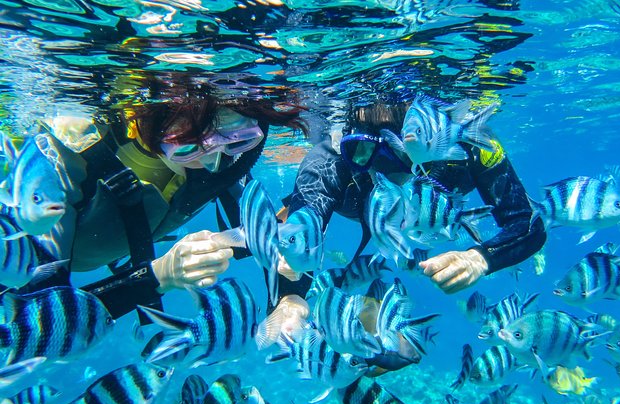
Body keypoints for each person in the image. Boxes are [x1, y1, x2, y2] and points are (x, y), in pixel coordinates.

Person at [7, 74, 308, 321]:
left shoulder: (226, 161)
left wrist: (288, 295)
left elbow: (258, 232)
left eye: (239, 140)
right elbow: (34, 320)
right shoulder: (67, 156)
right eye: (189, 148)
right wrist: (160, 276)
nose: (213, 163)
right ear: (146, 121)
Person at [282, 99, 545, 295]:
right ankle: (285, 204)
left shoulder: (469, 142)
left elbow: (527, 221)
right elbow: (298, 235)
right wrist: (290, 299)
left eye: (407, 155)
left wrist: (479, 258)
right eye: (366, 151)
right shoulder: (330, 160)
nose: (389, 173)